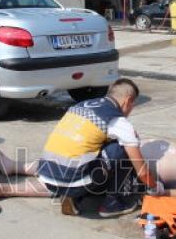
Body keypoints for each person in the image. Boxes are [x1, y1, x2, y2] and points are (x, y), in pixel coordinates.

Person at [23, 78, 159, 217]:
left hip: (48, 178)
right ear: (128, 100)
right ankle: (112, 204)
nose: (131, 110)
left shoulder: (81, 106)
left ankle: (74, 198)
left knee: (96, 147)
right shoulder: (117, 121)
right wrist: (154, 188)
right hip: (71, 180)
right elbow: (142, 171)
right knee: (121, 148)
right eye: (132, 105)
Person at [0, 138, 176, 204]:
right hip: (128, 154)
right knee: (68, 163)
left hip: (128, 173)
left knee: (72, 181)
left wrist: (161, 194)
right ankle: (14, 166)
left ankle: (7, 189)